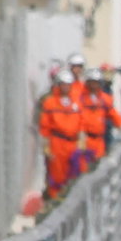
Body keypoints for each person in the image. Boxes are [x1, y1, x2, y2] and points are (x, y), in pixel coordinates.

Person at [37, 70, 83, 201]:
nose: (66, 87)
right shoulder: (50, 102)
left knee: (73, 173)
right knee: (57, 175)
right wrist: (46, 145)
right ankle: (54, 200)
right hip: (57, 142)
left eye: (68, 84)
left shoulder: (77, 102)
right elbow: (45, 126)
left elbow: (81, 122)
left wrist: (82, 140)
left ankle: (69, 199)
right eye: (63, 84)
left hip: (73, 143)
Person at [78, 68, 121, 163]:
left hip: (99, 141)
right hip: (85, 139)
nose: (94, 86)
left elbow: (114, 115)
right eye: (92, 83)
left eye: (96, 83)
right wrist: (80, 135)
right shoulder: (81, 99)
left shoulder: (104, 99)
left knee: (99, 167)